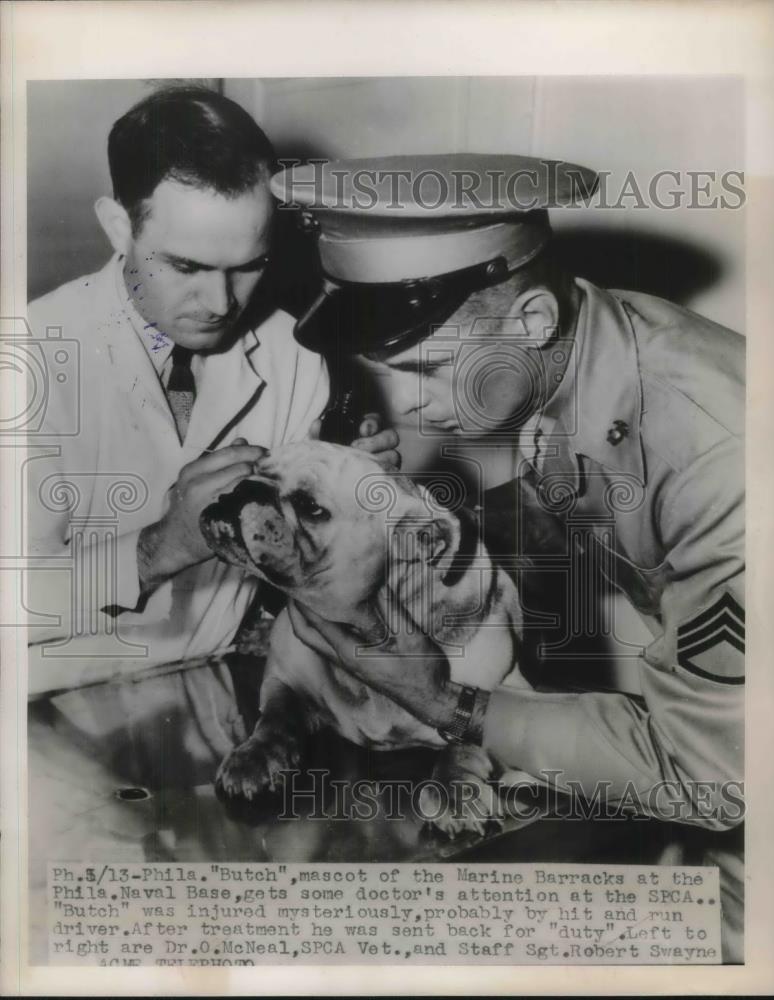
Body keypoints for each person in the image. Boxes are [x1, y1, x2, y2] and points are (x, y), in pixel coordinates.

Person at [270, 154, 745, 961]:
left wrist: (453, 704)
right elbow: (579, 516)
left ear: (529, 321)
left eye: (423, 369)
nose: (406, 401)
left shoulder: (720, 453)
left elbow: (711, 774)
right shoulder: (576, 349)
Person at [25, 87, 399, 696]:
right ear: (119, 227)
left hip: (215, 685)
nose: (222, 304)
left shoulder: (294, 353)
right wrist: (157, 549)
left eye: (249, 266)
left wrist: (347, 502)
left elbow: (293, 570)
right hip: (46, 716)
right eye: (187, 267)